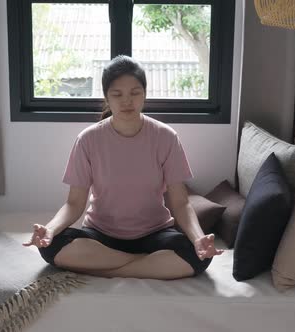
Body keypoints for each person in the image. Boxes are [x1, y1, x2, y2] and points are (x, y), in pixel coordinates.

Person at [22, 55, 223, 280]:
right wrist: (49, 230)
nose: (127, 101)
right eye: (117, 94)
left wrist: (198, 239)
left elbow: (180, 202)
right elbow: (74, 204)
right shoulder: (88, 140)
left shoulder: (166, 137)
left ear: (145, 94)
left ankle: (109, 269)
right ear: (107, 97)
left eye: (135, 93)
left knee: (199, 255)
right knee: (51, 246)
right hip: (101, 236)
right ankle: (145, 267)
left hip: (154, 235)